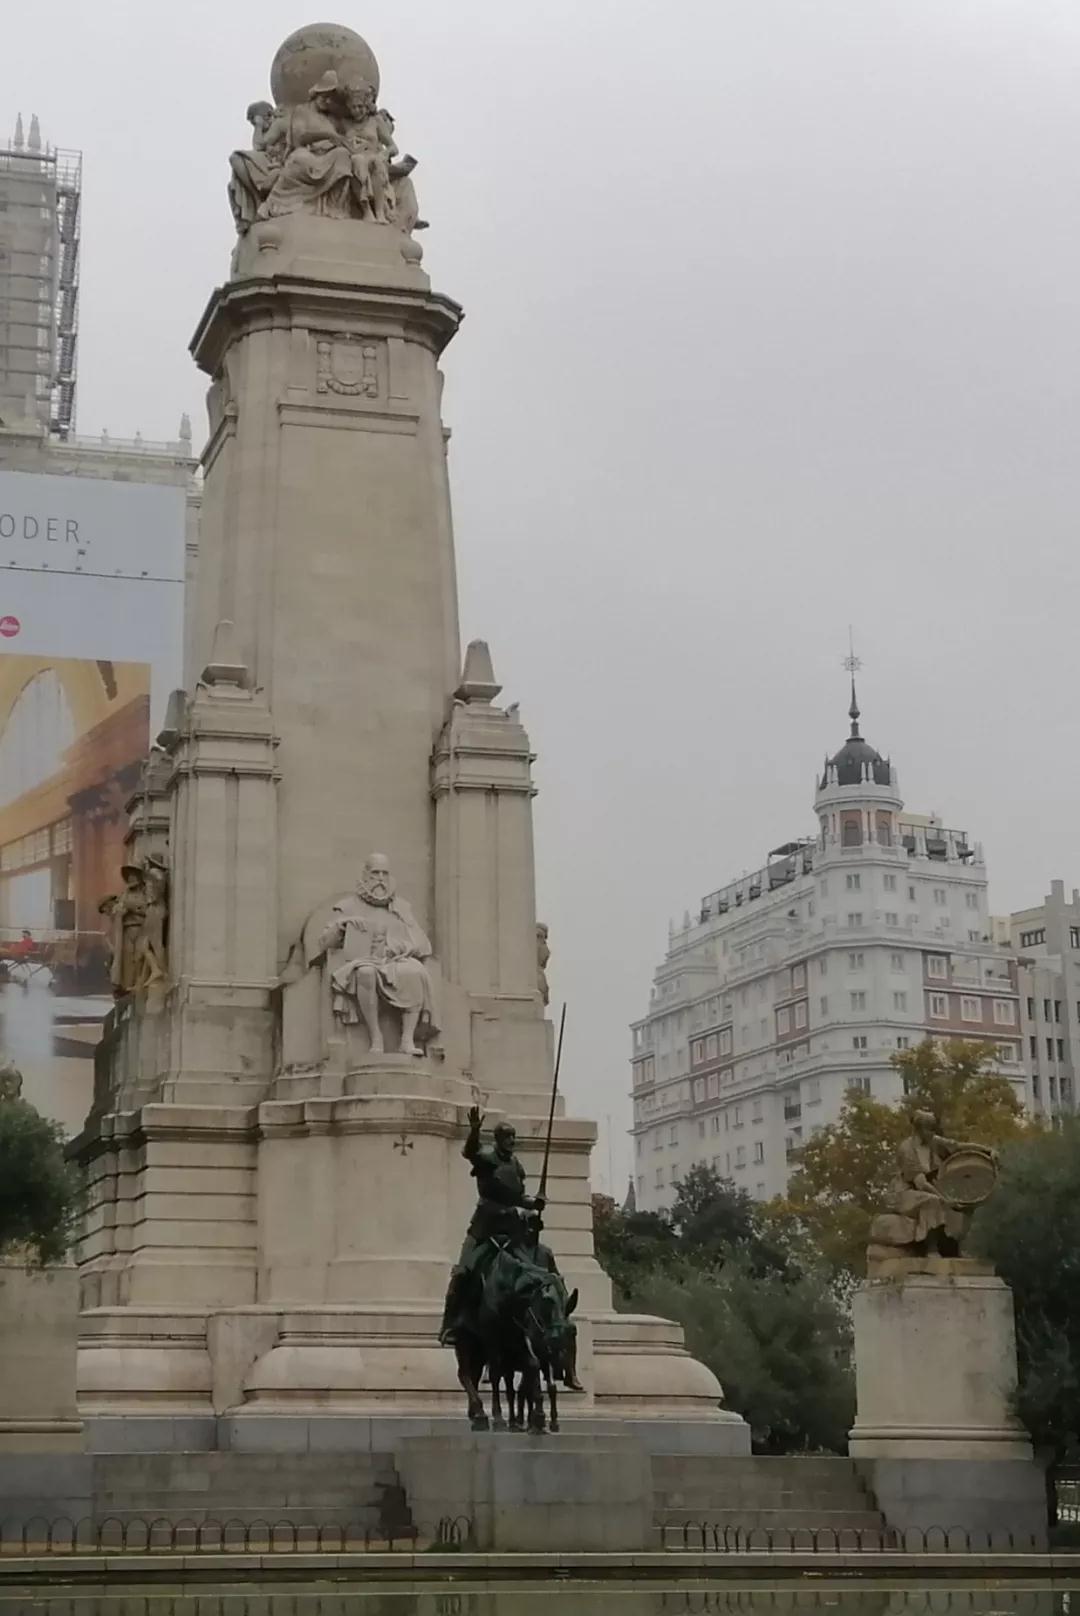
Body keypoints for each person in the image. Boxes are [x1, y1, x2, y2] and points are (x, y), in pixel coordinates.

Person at [440, 1106, 583, 1388]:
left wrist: (534, 1203)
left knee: (537, 1275)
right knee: (462, 1272)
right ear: (498, 1139)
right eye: (507, 1137)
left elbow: (518, 1198)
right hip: (483, 1231)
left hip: (512, 1232)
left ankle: (547, 1331)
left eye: (513, 1137)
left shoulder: (516, 1165)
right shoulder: (487, 1158)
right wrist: (474, 1130)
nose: (512, 1141)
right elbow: (469, 1152)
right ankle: (451, 1324)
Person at [316, 853, 437, 1055]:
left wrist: (400, 947)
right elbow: (323, 943)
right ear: (365, 876)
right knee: (365, 972)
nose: (380, 879)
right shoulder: (348, 906)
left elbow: (423, 945)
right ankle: (376, 1037)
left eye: (384, 873)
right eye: (375, 873)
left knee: (415, 972)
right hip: (362, 961)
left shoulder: (401, 907)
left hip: (394, 961)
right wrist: (343, 925)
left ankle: (407, 1040)